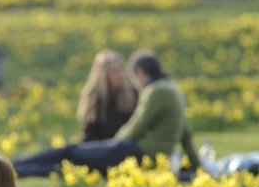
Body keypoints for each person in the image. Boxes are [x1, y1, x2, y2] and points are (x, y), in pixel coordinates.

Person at [12, 49, 202, 177]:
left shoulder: (152, 92)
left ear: (141, 73)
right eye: (115, 72)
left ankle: (17, 169)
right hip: (120, 151)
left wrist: (111, 145)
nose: (123, 76)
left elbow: (137, 126)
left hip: (126, 151)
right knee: (69, 155)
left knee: (68, 160)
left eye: (124, 71)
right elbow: (185, 132)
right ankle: (17, 166)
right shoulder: (170, 89)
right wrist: (196, 165)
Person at [76, 50, 137, 142]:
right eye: (115, 71)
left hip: (125, 144)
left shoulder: (133, 94)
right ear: (104, 75)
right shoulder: (95, 97)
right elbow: (89, 133)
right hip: (101, 147)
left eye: (121, 70)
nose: (120, 75)